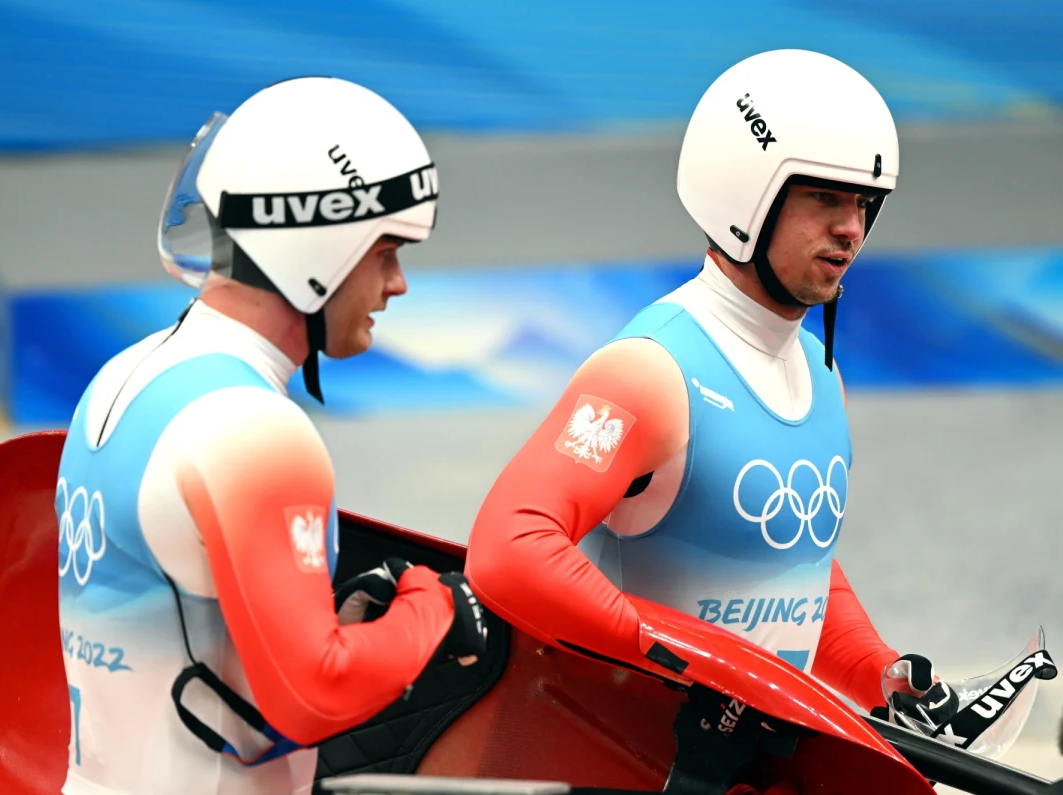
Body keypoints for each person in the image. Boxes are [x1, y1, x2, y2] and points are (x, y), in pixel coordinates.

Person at [463, 50, 954, 727]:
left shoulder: (819, 370)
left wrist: (880, 675)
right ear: (745, 199)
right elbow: (509, 548)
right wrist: (673, 659)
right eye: (826, 198)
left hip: (741, 759)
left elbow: (789, 565)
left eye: (866, 203)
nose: (852, 228)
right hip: (634, 757)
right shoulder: (649, 371)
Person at [54, 76, 487, 795]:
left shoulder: (122, 377)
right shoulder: (256, 430)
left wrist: (339, 619)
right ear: (317, 251)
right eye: (384, 253)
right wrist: (434, 609)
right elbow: (315, 693)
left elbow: (180, 615)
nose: (398, 283)